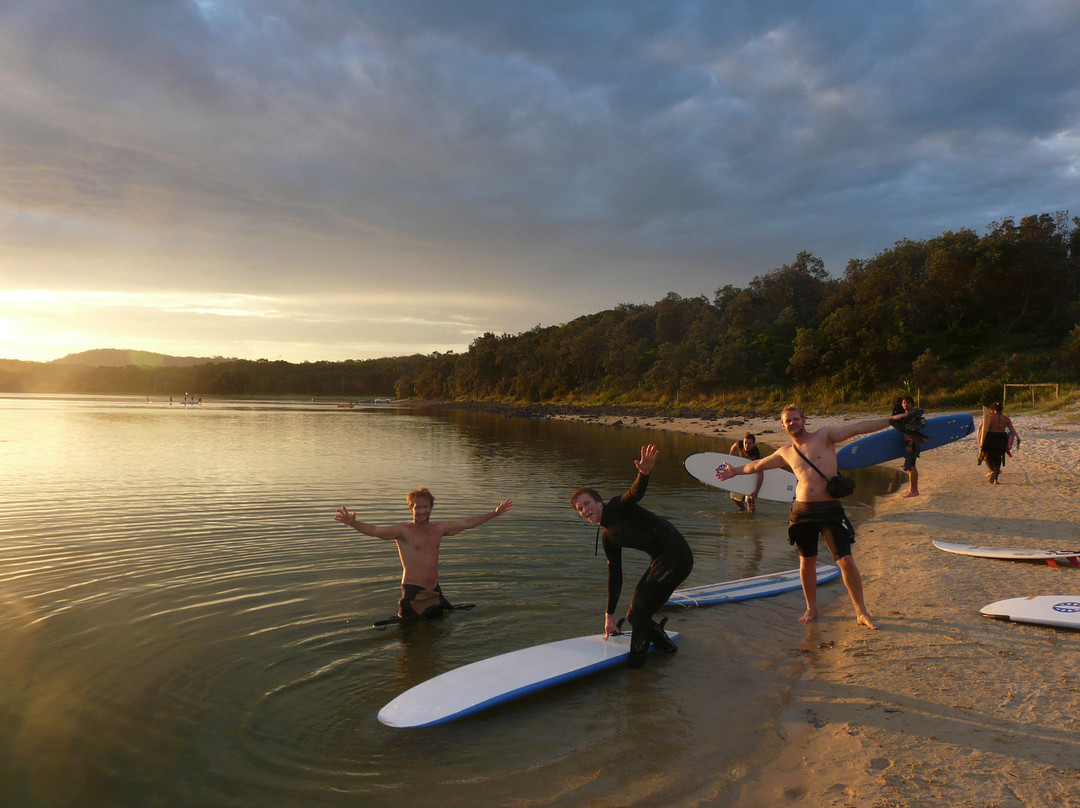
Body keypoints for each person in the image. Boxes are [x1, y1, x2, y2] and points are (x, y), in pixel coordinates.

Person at [716, 405, 916, 630]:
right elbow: (758, 465)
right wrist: (735, 471)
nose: (792, 423)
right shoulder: (785, 452)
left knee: (846, 561)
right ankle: (812, 608)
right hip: (802, 512)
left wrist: (892, 420)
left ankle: (861, 612)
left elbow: (858, 428)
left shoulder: (825, 435)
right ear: (783, 425)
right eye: (788, 421)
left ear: (803, 419)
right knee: (806, 562)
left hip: (830, 510)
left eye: (795, 419)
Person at [570, 445, 694, 668]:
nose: (584, 510)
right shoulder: (608, 538)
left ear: (599, 502)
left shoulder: (618, 507)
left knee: (637, 614)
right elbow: (615, 576)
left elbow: (635, 493)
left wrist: (643, 473)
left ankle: (636, 669)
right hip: (662, 560)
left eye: (587, 503)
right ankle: (667, 650)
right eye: (580, 509)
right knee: (637, 614)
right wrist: (609, 615)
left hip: (676, 555)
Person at [335, 489, 513, 622]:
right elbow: (375, 530)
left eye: (425, 507)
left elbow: (466, 523)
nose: (421, 511)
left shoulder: (438, 529)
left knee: (436, 634)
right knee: (411, 641)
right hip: (413, 593)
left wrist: (495, 514)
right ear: (411, 508)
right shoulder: (403, 531)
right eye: (417, 507)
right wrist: (354, 523)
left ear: (431, 508)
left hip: (434, 591)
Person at [978, 402, 1020, 485]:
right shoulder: (1006, 419)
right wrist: (1017, 439)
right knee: (998, 458)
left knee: (987, 456)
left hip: (991, 437)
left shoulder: (989, 417)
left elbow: (981, 429)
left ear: (993, 409)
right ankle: (995, 479)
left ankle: (992, 471)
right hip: (1002, 438)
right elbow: (1012, 430)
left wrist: (980, 441)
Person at [728, 433, 764, 513]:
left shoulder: (756, 455)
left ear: (754, 444)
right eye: (745, 443)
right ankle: (742, 509)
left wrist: (756, 491)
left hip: (753, 475)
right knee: (734, 498)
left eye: (749, 444)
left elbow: (761, 474)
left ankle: (751, 518)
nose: (746, 445)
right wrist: (730, 457)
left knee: (749, 501)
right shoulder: (740, 444)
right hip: (741, 472)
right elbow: (733, 447)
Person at [896, 396, 921, 497]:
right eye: (903, 403)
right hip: (909, 443)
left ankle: (914, 491)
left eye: (906, 402)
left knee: (912, 466)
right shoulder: (906, 416)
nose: (904, 404)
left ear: (911, 404)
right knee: (911, 467)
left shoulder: (913, 416)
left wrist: (910, 444)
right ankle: (913, 490)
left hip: (912, 443)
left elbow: (914, 431)